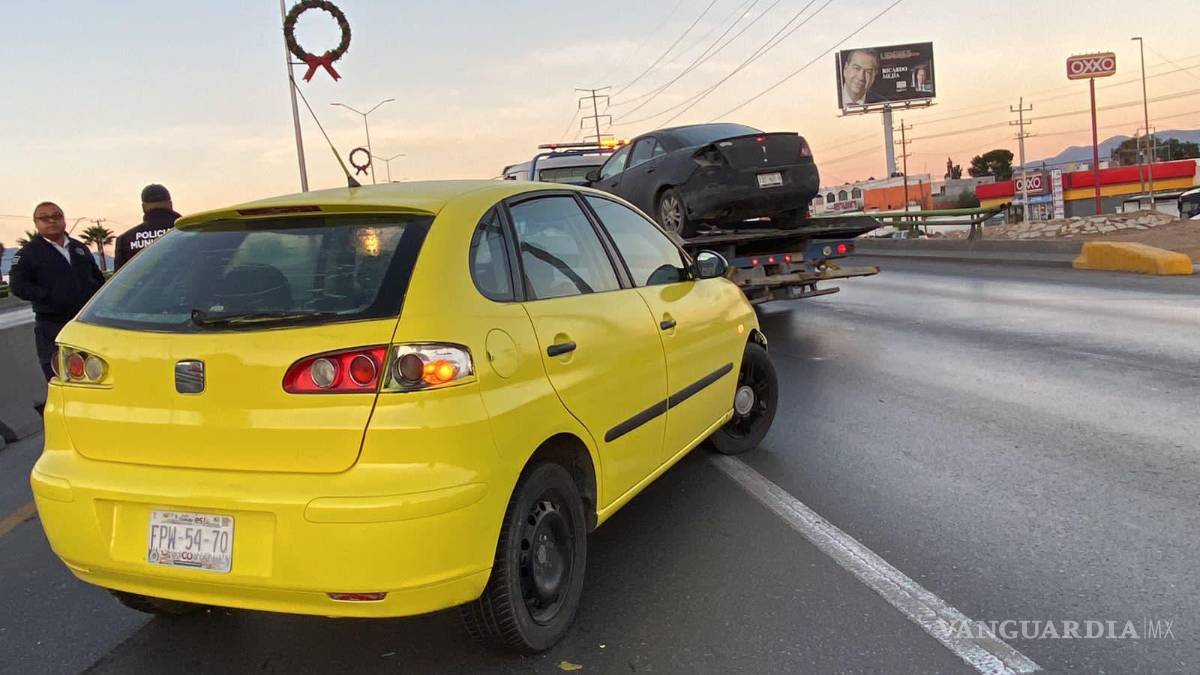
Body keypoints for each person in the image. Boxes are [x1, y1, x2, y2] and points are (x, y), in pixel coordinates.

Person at [9, 201, 105, 381]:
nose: (51, 221)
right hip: (52, 326)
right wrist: (48, 297)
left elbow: (98, 279)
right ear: (36, 223)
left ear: (64, 219)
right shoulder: (27, 253)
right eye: (44, 218)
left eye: (56, 216)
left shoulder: (79, 248)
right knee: (61, 378)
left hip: (87, 323)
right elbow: (18, 286)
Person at [114, 184, 180, 271]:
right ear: (170, 205)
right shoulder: (188, 231)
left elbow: (120, 279)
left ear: (143, 207)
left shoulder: (125, 240)